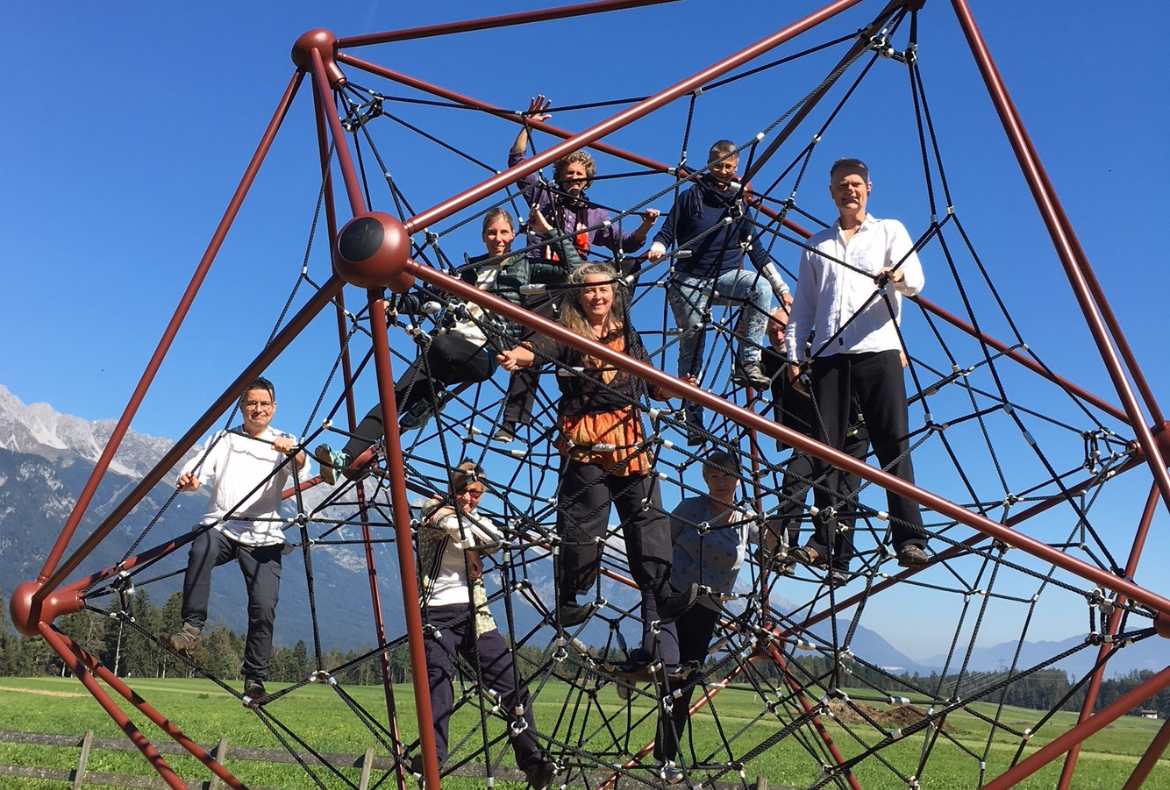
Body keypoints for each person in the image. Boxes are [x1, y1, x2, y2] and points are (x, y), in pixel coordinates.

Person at [498, 263, 698, 628]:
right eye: (590, 290)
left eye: (604, 289)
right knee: (584, 518)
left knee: (648, 516)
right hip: (587, 437)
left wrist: (680, 387)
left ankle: (662, 592)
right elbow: (538, 348)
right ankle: (570, 598)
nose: (598, 295)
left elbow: (652, 386)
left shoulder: (628, 336)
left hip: (629, 435)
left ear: (614, 294)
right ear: (578, 295)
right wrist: (518, 357)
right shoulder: (568, 331)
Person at [314, 208, 574, 483]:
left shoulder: (526, 266)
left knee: (439, 345)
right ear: (483, 237)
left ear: (513, 235)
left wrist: (548, 231)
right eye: (492, 232)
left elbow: (573, 269)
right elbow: (429, 296)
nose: (498, 239)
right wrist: (397, 304)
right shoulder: (469, 270)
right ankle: (345, 456)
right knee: (393, 400)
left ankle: (430, 400)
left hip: (484, 353)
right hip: (445, 347)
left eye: (504, 232)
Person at [784, 157, 930, 570]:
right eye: (840, 185)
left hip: (878, 350)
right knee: (828, 451)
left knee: (893, 444)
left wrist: (896, 274)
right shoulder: (816, 244)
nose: (849, 190)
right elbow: (804, 309)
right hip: (829, 357)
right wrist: (796, 356)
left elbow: (916, 282)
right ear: (831, 193)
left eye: (855, 183)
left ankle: (910, 540)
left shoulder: (890, 231)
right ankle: (827, 542)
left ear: (869, 188)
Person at [162, 377, 311, 703]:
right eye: (251, 403)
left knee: (263, 607)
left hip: (264, 536)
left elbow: (302, 466)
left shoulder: (284, 442)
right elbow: (195, 473)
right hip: (223, 527)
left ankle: (255, 678)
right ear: (241, 407)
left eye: (264, 404)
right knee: (201, 547)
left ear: (273, 408)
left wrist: (294, 453)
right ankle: (190, 629)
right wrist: (189, 481)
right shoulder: (223, 439)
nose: (258, 409)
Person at [412, 462, 557, 789]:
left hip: (475, 613)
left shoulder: (479, 519)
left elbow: (493, 540)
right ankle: (433, 756)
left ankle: (533, 763)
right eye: (462, 489)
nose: (467, 497)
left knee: (513, 685)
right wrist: (476, 538)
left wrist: (485, 537)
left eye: (474, 493)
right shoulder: (433, 507)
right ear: (452, 486)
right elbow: (449, 525)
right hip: (435, 612)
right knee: (437, 677)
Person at [621, 451, 759, 784]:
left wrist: (783, 529)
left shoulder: (746, 519)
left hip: (707, 608)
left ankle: (665, 757)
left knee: (682, 683)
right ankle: (633, 666)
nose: (721, 483)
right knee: (666, 665)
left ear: (738, 479)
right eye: (713, 477)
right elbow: (660, 543)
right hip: (669, 595)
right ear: (705, 481)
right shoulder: (689, 508)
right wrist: (652, 584)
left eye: (726, 475)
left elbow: (771, 545)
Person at [646, 140, 793, 445]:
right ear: (709, 163)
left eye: (729, 167)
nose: (723, 171)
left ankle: (748, 361)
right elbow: (667, 230)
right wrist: (659, 247)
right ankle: (693, 418)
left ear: (736, 169)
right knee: (693, 343)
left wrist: (782, 288)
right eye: (718, 165)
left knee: (758, 287)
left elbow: (756, 250)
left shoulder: (738, 204)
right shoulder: (691, 196)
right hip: (689, 279)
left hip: (724, 277)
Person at [761, 308, 867, 585]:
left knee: (845, 495)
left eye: (782, 329)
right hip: (811, 435)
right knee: (793, 482)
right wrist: (744, 335)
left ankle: (839, 564)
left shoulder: (822, 347)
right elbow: (748, 368)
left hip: (849, 430)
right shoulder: (771, 357)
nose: (778, 336)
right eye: (772, 332)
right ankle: (785, 551)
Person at [510, 95, 659, 260]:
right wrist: (528, 126)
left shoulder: (595, 214)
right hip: (538, 270)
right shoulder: (544, 197)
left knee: (626, 265)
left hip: (574, 277)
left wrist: (646, 225)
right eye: (570, 173)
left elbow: (626, 243)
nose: (574, 177)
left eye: (579, 174)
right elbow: (518, 165)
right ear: (559, 177)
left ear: (587, 180)